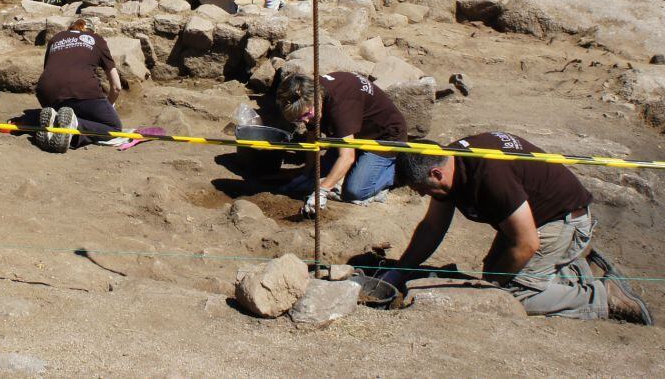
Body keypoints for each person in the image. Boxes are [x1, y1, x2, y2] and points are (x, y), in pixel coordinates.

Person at [382, 131, 653, 325]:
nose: (422, 195)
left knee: (512, 294)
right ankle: (577, 271)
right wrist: (398, 272)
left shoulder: (488, 175)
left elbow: (526, 243)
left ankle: (604, 297)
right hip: (534, 219)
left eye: (422, 189)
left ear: (436, 174)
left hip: (562, 221)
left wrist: (493, 289)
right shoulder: (449, 160)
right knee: (493, 272)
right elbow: (432, 227)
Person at [277, 72, 407, 213]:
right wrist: (307, 172)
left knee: (354, 192)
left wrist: (321, 192)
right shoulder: (308, 97)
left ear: (315, 99)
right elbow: (312, 137)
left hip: (383, 137)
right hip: (352, 134)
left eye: (307, 115)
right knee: (313, 180)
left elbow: (347, 157)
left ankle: (392, 173)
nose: (306, 121)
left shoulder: (340, 104)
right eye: (299, 119)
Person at [34, 19, 123, 153]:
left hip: (46, 93)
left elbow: (49, 70)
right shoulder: (97, 40)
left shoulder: (56, 38)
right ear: (93, 31)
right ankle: (76, 124)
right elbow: (116, 87)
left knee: (69, 110)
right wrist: (109, 105)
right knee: (114, 127)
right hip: (82, 89)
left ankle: (56, 118)